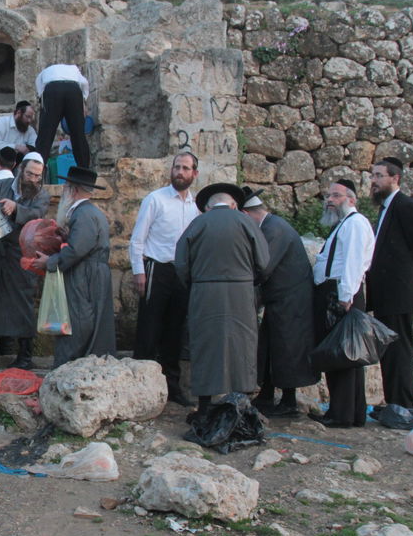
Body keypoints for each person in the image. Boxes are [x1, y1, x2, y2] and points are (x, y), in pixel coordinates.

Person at [174, 183, 269, 414]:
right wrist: (250, 281)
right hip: (241, 293)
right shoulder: (246, 222)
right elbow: (264, 262)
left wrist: (195, 284)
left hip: (204, 293)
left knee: (206, 345)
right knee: (242, 345)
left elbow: (181, 264)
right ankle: (241, 404)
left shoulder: (197, 224)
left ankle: (205, 406)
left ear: (207, 207)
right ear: (234, 204)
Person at [129, 153, 200, 406]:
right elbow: (138, 238)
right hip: (156, 269)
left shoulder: (196, 206)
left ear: (194, 174)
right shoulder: (155, 199)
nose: (180, 172)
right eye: (177, 167)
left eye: (185, 168)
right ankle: (138, 386)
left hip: (182, 273)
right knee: (149, 328)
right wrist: (139, 271)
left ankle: (172, 387)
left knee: (175, 330)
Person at [0, 152, 50, 367]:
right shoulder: (0, 186)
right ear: (21, 170)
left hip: (20, 254)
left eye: (37, 176)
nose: (33, 180)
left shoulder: (41, 195)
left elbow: (37, 215)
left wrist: (16, 209)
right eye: (30, 174)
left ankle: (25, 354)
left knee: (20, 301)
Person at [241, 187, 316, 418]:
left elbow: (263, 267)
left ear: (247, 214)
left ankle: (289, 400)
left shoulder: (275, 230)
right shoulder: (272, 226)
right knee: (271, 346)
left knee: (287, 349)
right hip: (280, 299)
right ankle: (266, 393)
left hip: (291, 300)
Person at [365, 157, 413, 410]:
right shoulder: (386, 208)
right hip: (388, 292)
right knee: (390, 350)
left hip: (399, 291)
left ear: (395, 178)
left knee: (399, 349)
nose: (374, 181)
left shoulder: (405, 206)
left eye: (379, 176)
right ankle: (395, 401)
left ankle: (403, 404)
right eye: (373, 176)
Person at [31, 166, 116, 367]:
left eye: (66, 187)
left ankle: (69, 371)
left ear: (73, 190)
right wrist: (66, 236)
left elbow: (77, 250)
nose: (64, 192)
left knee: (78, 324)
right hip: (90, 273)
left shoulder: (84, 214)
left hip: (85, 277)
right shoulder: (88, 212)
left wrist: (49, 262)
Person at [310, 179, 376, 429]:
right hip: (338, 292)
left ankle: (342, 413)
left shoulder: (355, 224)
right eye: (328, 196)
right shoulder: (344, 225)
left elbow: (353, 262)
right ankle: (350, 412)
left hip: (341, 294)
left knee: (343, 355)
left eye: (336, 196)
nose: (330, 200)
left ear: (351, 199)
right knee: (343, 354)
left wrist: (345, 298)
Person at [34, 63, 90, 168]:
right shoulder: (74, 69)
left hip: (52, 89)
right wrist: (84, 100)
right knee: (78, 134)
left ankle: (38, 171)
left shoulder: (46, 71)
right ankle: (84, 171)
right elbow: (85, 83)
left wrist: (41, 98)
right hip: (73, 90)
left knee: (45, 135)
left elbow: (39, 84)